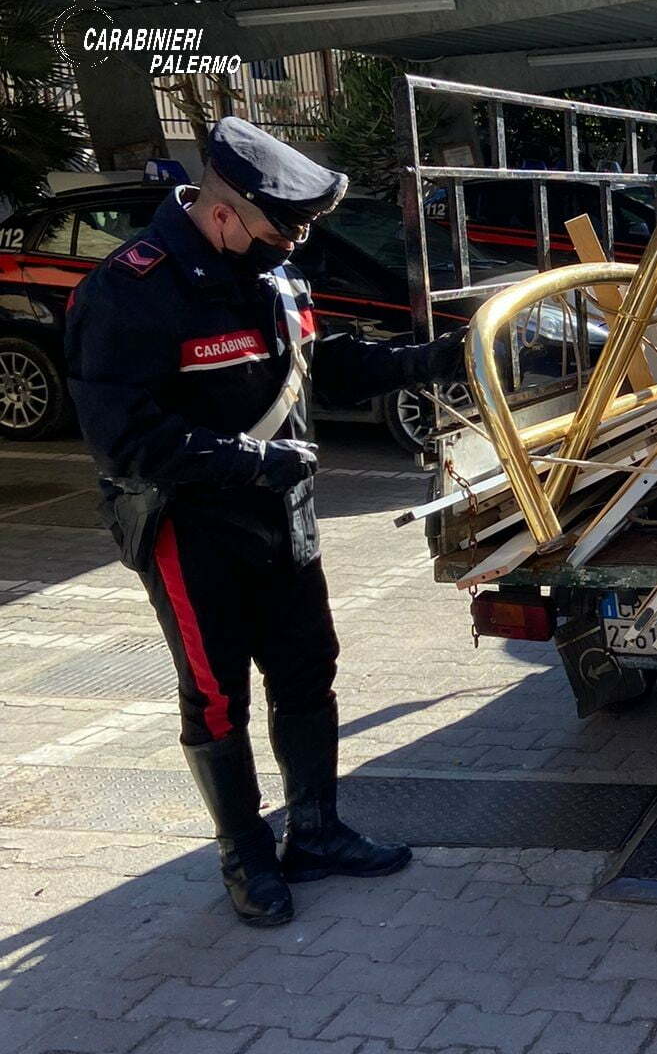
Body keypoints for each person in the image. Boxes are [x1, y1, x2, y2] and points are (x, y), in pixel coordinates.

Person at [65, 118, 470, 928]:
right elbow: (124, 439)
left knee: (306, 668)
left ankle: (314, 833)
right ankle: (244, 854)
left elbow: (325, 370)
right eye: (281, 228)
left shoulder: (275, 275)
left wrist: (438, 358)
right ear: (223, 214)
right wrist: (246, 462)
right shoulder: (130, 291)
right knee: (216, 695)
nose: (293, 244)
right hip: (189, 523)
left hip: (281, 513)